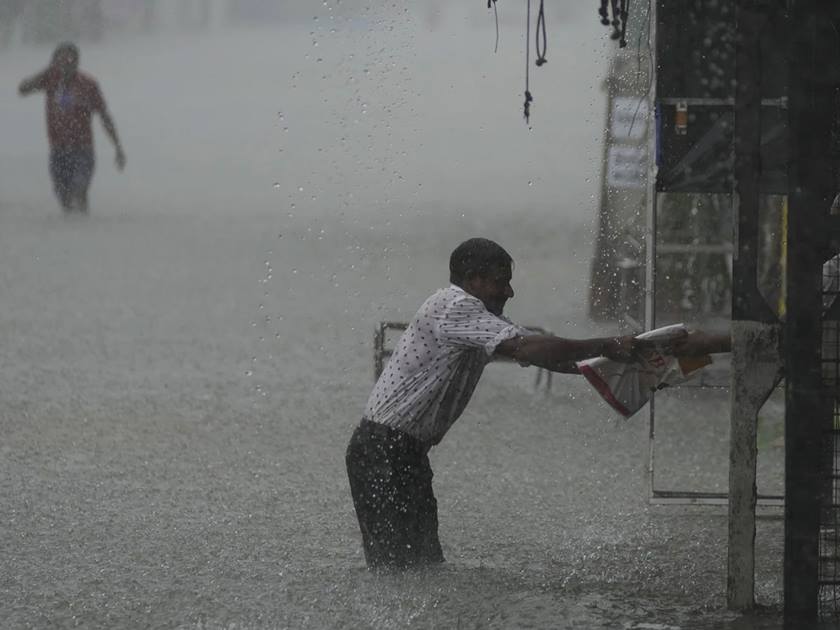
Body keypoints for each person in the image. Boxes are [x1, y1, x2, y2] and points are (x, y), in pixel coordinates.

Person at [345, 237, 643, 570]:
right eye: (501, 282)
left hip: (401, 452)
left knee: (422, 566)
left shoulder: (481, 321)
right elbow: (528, 348)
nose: (509, 292)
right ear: (473, 280)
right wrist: (609, 344)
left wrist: (631, 364)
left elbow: (549, 357)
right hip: (383, 451)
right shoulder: (455, 305)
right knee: (397, 570)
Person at [18, 42, 125, 213]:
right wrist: (45, 70)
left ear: (77, 62)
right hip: (58, 150)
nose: (65, 64)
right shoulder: (50, 79)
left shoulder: (88, 85)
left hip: (82, 150)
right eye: (60, 60)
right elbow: (22, 89)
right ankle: (72, 233)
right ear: (54, 62)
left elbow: (104, 116)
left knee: (79, 190)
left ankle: (83, 230)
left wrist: (117, 146)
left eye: (69, 60)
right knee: (64, 198)